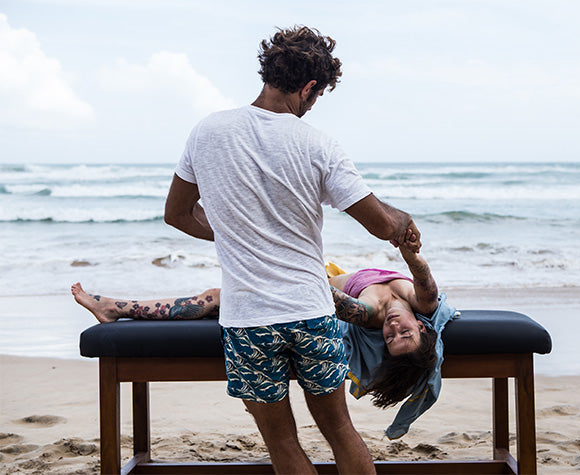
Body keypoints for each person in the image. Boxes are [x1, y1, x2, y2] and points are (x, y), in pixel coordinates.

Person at [160, 25, 423, 474]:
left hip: (250, 318)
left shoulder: (207, 132)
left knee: (281, 440)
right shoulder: (318, 144)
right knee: (339, 430)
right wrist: (404, 222)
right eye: (316, 96)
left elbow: (178, 214)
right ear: (308, 87)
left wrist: (236, 231)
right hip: (311, 311)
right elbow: (381, 224)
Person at [71, 245, 459, 439]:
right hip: (316, 279)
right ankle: (115, 308)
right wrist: (410, 251)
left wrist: (285, 257)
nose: (392, 329)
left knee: (217, 298)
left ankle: (115, 308)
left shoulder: (370, 314)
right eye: (403, 332)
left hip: (308, 289)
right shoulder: (422, 303)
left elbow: (327, 296)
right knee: (218, 296)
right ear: (423, 328)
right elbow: (425, 279)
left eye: (390, 339)